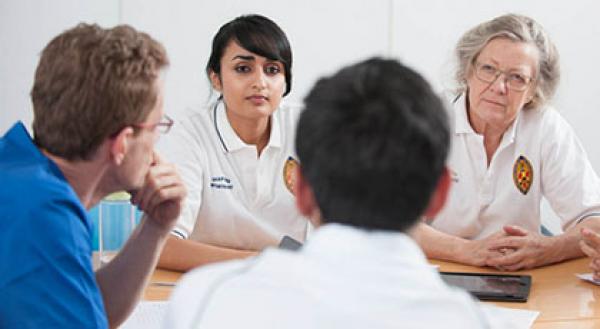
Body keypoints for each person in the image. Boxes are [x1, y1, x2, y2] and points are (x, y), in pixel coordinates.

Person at [163, 58, 500, 328]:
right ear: (439, 194)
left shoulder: (205, 299)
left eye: (272, 69)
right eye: (243, 68)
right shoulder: (473, 320)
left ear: (302, 191)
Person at [0, 24, 186, 328]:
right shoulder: (45, 214)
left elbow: (86, 310)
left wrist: (156, 226)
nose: (156, 144)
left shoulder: (17, 171)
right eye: (157, 126)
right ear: (123, 143)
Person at [413, 13, 600, 271]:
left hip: (518, 274)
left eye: (517, 78)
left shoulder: (545, 125)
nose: (499, 86)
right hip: (438, 269)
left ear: (534, 90)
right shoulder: (428, 119)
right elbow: (390, 221)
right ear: (468, 71)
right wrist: (468, 251)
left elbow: (593, 217)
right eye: (488, 69)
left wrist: (550, 249)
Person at [156, 14, 309, 272]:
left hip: (289, 285)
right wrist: (263, 263)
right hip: (205, 283)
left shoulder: (307, 127)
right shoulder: (189, 133)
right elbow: (162, 245)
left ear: (285, 82)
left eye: (272, 70)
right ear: (215, 78)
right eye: (243, 68)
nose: (260, 82)